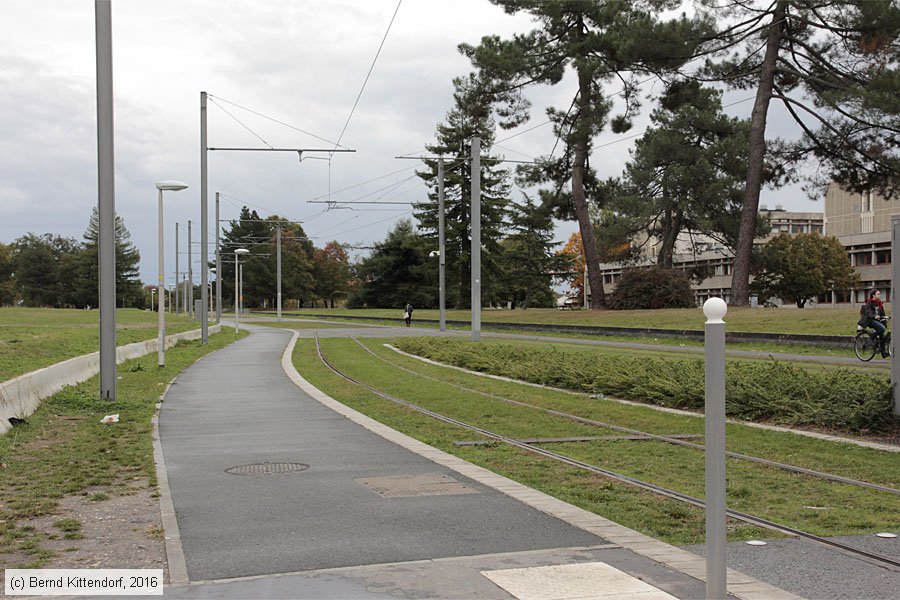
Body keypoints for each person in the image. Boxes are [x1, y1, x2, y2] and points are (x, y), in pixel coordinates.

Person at [859, 289, 888, 357]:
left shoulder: (880, 303)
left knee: (882, 336)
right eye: (878, 294)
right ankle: (871, 337)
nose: (879, 295)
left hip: (877, 321)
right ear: (873, 295)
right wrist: (875, 316)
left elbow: (882, 314)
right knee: (882, 328)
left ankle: (883, 353)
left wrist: (885, 319)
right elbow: (869, 313)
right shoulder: (869, 303)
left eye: (879, 294)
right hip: (870, 321)